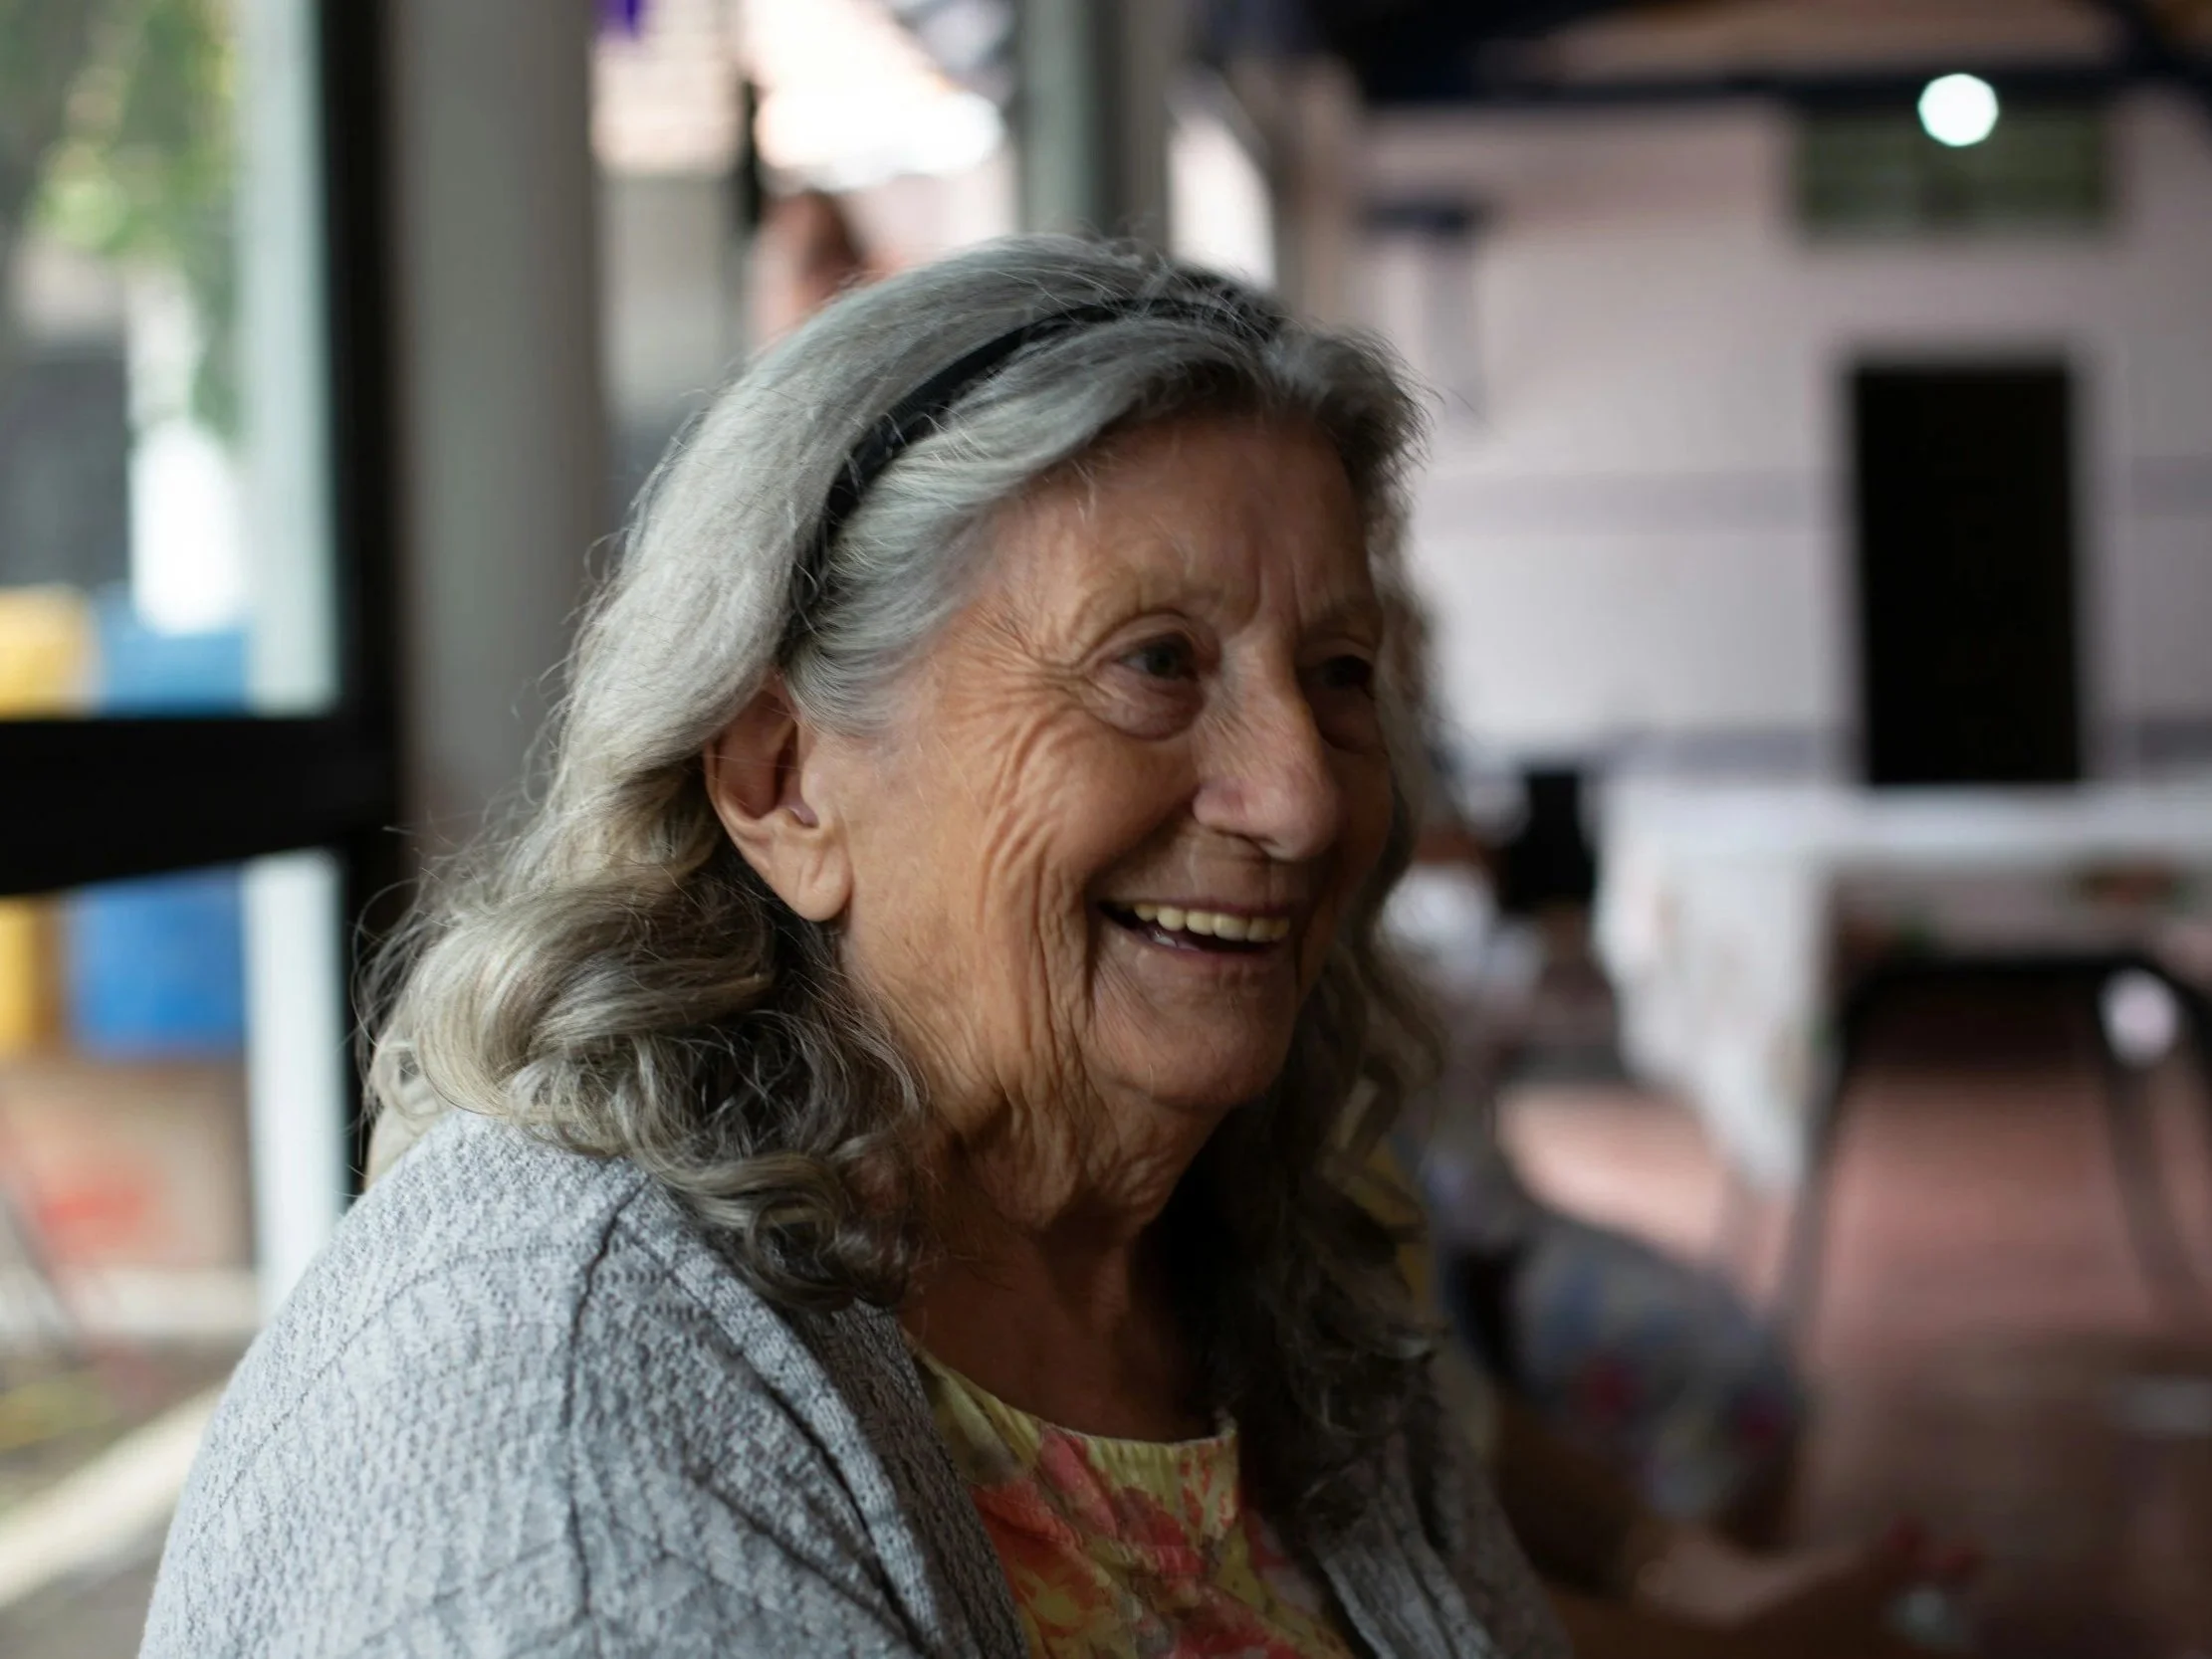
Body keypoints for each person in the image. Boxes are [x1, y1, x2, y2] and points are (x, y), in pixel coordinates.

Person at [140, 240, 1566, 1657]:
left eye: (1338, 675)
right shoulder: (560, 1414)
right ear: (783, 782)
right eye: (1153, 663)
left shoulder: (1249, 1253)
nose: (1303, 797)